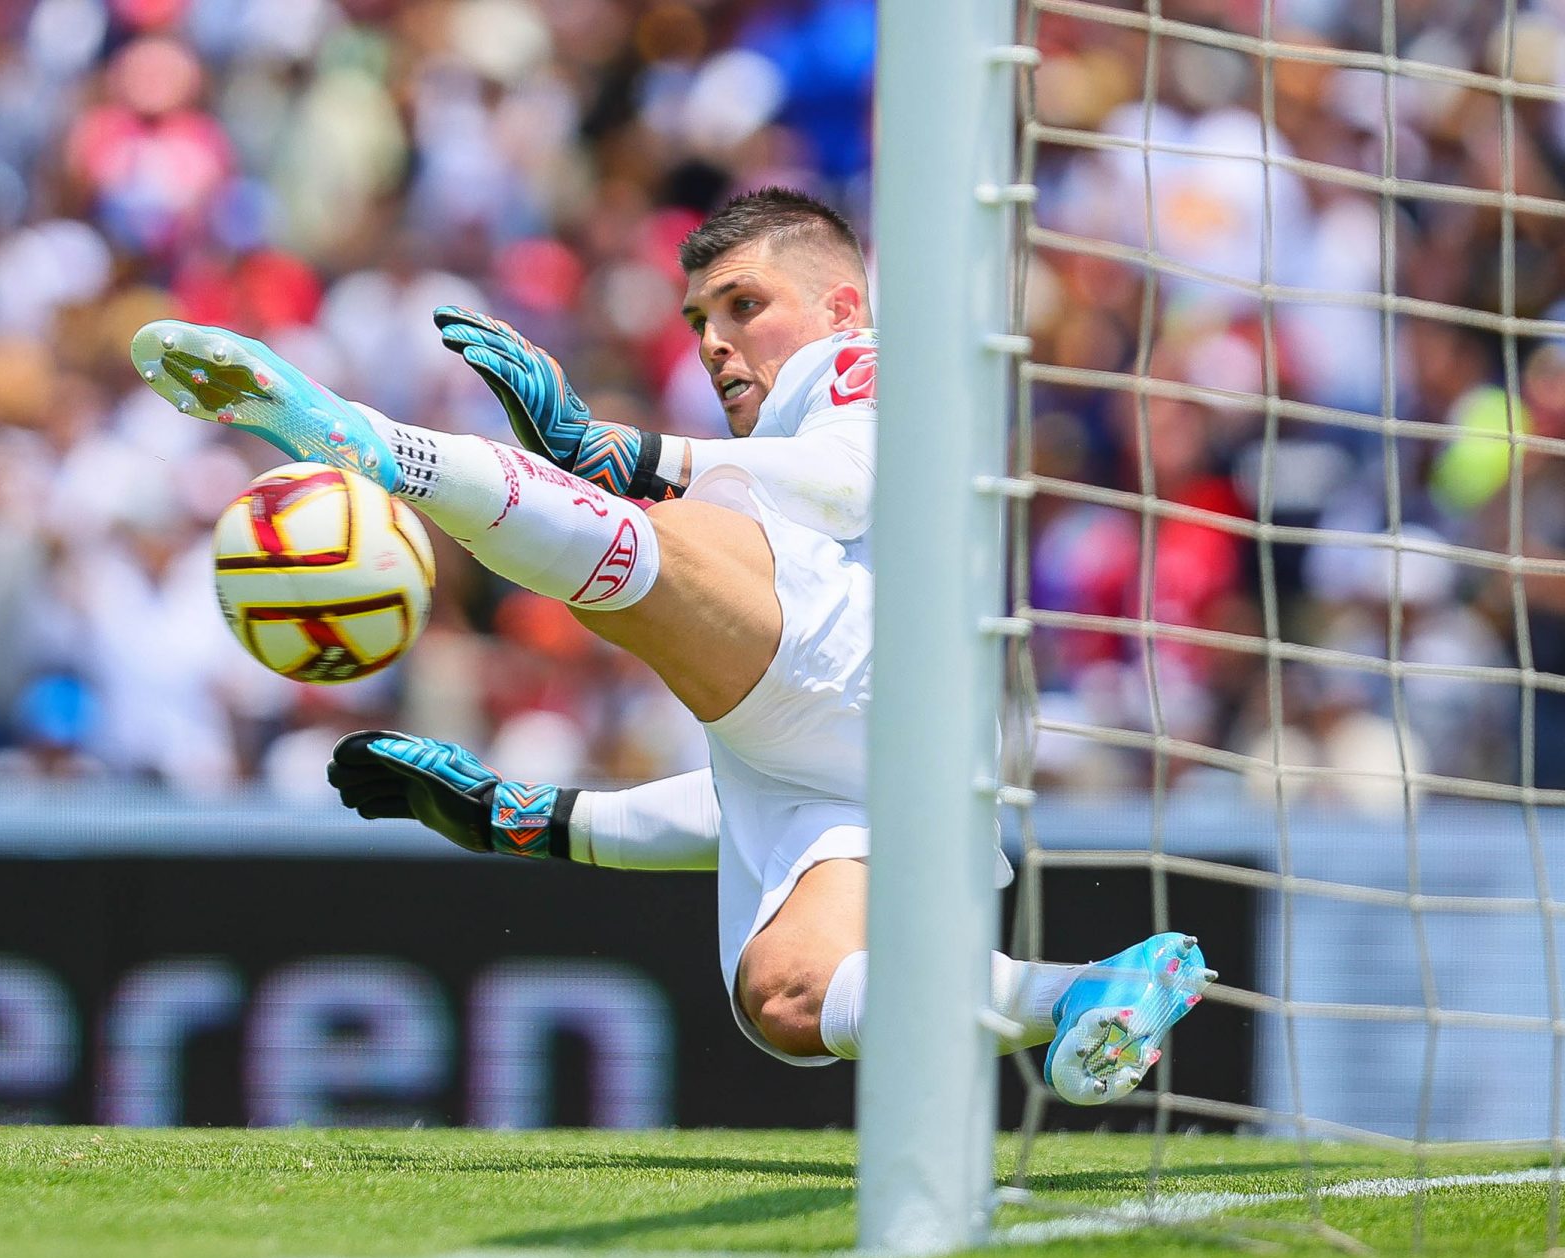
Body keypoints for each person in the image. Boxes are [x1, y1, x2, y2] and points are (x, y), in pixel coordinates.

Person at [132, 187, 1213, 1103]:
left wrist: (623, 452)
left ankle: (370, 445)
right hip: (879, 764)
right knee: (786, 997)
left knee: (640, 560)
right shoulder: (765, 472)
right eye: (701, 318)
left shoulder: (860, 364)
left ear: (838, 305)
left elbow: (846, 485)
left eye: (746, 306)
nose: (715, 342)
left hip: (878, 672)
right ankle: (1090, 990)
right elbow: (754, 786)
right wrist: (541, 822)